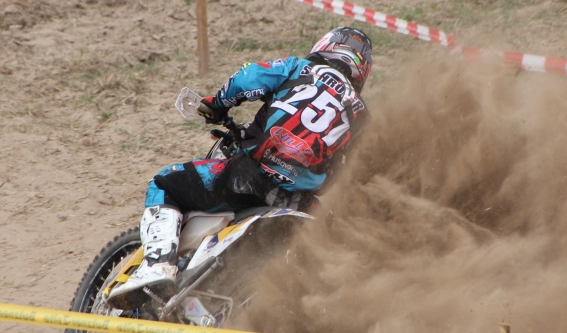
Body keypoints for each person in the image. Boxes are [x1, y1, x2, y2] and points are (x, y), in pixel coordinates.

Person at [106, 27, 373, 310]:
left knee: (165, 183)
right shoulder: (362, 116)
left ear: (327, 45)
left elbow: (249, 78)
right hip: (300, 204)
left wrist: (217, 104)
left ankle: (157, 265)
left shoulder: (299, 68)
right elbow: (352, 171)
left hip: (250, 177)